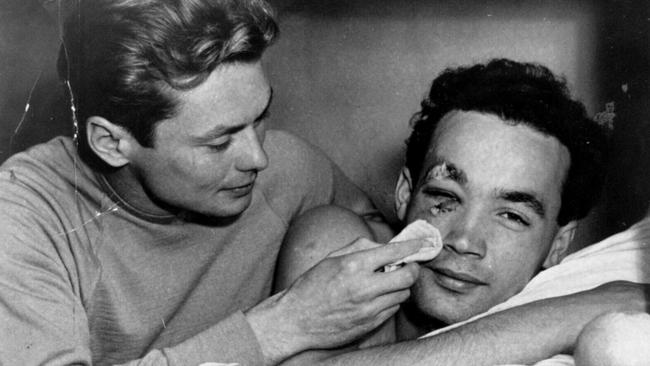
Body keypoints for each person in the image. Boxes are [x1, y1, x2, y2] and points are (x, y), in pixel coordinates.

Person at [0, 0, 431, 365]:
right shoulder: (21, 214)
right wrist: (284, 325)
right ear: (112, 142)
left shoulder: (290, 166)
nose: (259, 158)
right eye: (219, 141)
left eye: (260, 117)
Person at [276, 59, 650, 365]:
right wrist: (561, 318)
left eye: (511, 216)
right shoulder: (340, 243)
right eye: (445, 196)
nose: (464, 240)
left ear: (559, 244)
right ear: (406, 193)